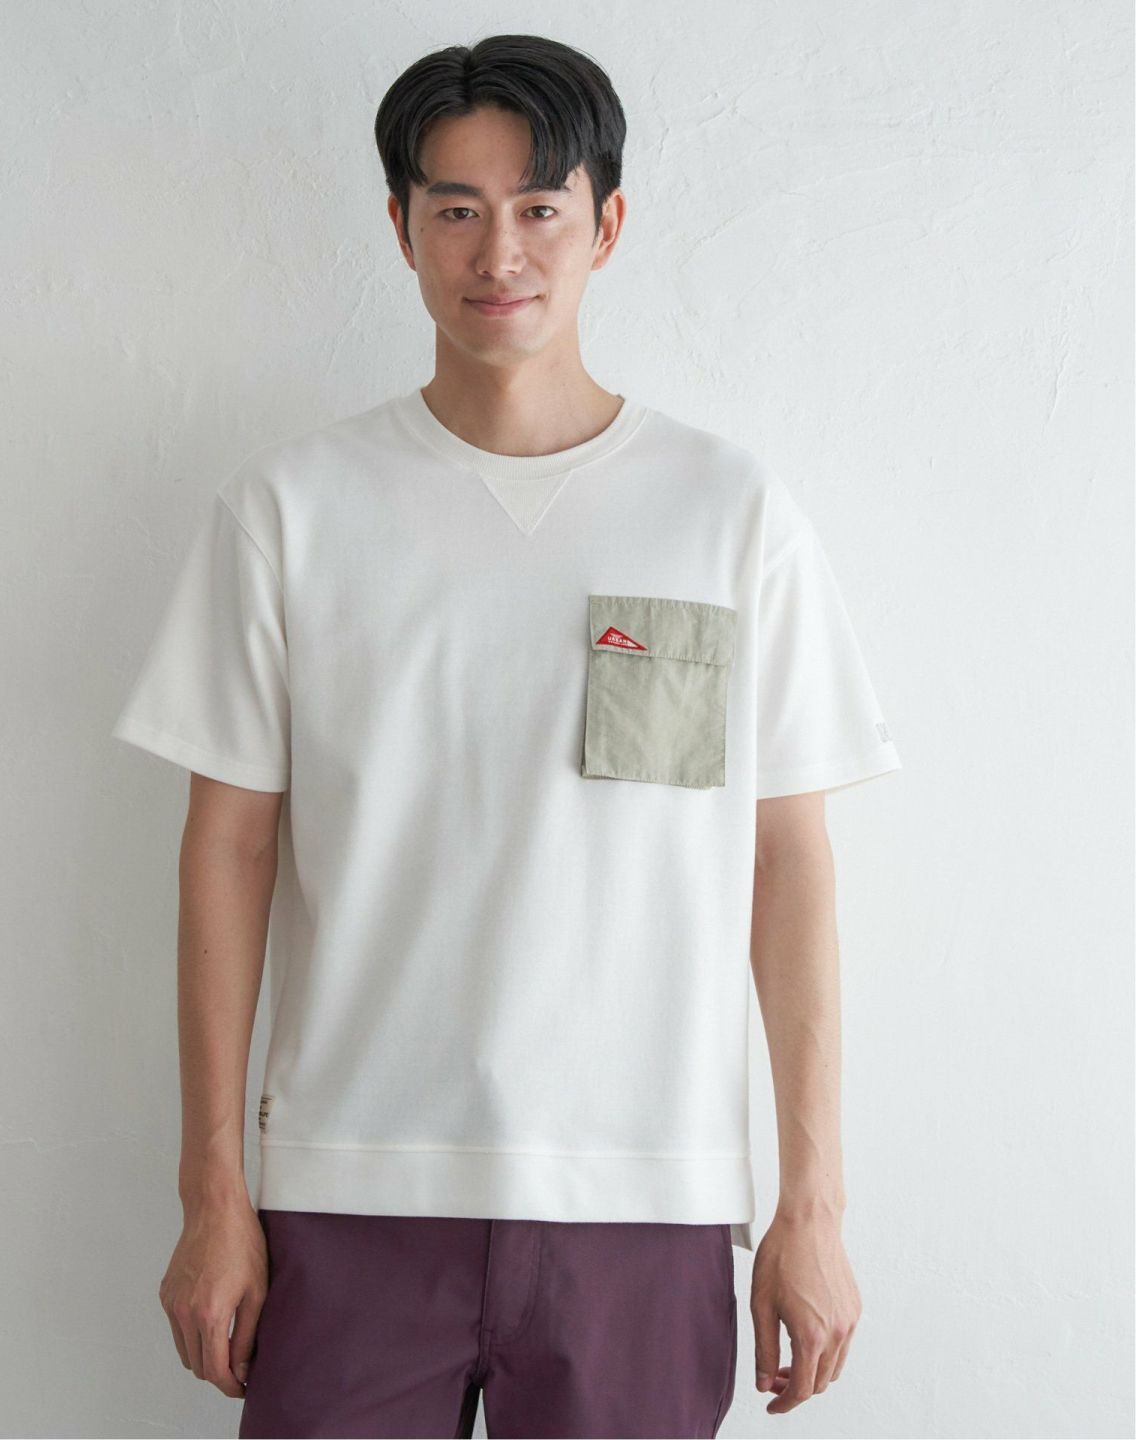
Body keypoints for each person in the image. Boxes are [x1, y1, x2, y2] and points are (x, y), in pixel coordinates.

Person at [111, 32, 903, 1440]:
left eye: (539, 206)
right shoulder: (292, 511)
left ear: (607, 223)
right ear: (400, 226)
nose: (499, 253)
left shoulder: (728, 515)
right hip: (350, 1189)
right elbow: (225, 851)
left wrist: (814, 1206)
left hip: (643, 1199)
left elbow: (787, 863)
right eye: (457, 208)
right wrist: (212, 1193)